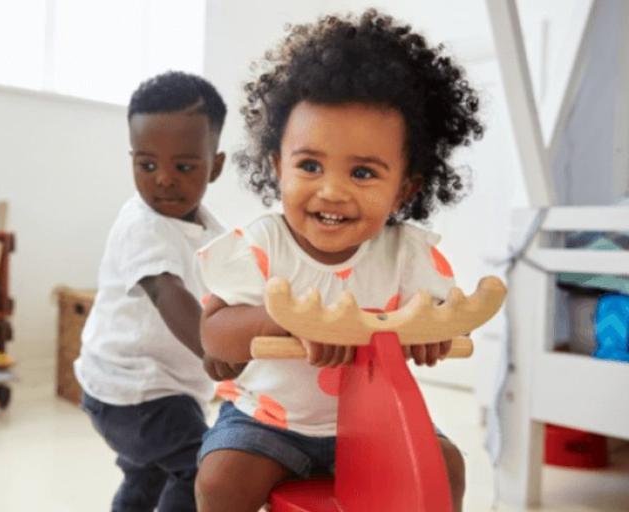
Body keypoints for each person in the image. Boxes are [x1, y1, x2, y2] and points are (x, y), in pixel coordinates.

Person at [193, 9, 484, 512]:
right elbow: (214, 333)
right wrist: (287, 322)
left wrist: (433, 332)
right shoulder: (263, 244)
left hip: (375, 421)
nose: (331, 191)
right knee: (220, 481)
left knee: (445, 466)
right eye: (309, 165)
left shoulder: (407, 253)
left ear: (406, 187)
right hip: (270, 422)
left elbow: (439, 315)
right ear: (276, 166)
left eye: (364, 173)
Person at [74, 70, 240, 512]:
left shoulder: (210, 228)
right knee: (201, 468)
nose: (163, 179)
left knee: (147, 472)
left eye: (183, 167)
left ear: (216, 166)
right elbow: (167, 293)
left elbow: (237, 280)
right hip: (131, 391)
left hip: (160, 387)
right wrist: (213, 347)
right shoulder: (142, 226)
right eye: (146, 165)